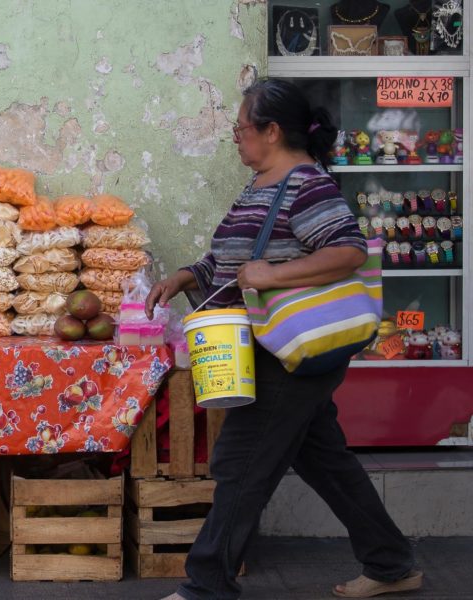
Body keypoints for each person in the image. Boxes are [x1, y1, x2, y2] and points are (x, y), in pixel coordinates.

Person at [147, 80, 421, 600]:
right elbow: (235, 259)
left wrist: (274, 276)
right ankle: (391, 564)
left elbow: (347, 251)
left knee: (240, 463)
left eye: (240, 128)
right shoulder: (261, 184)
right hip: (272, 348)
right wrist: (187, 275)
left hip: (286, 353)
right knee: (324, 460)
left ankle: (206, 587)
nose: (236, 138)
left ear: (272, 131)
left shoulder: (305, 184)